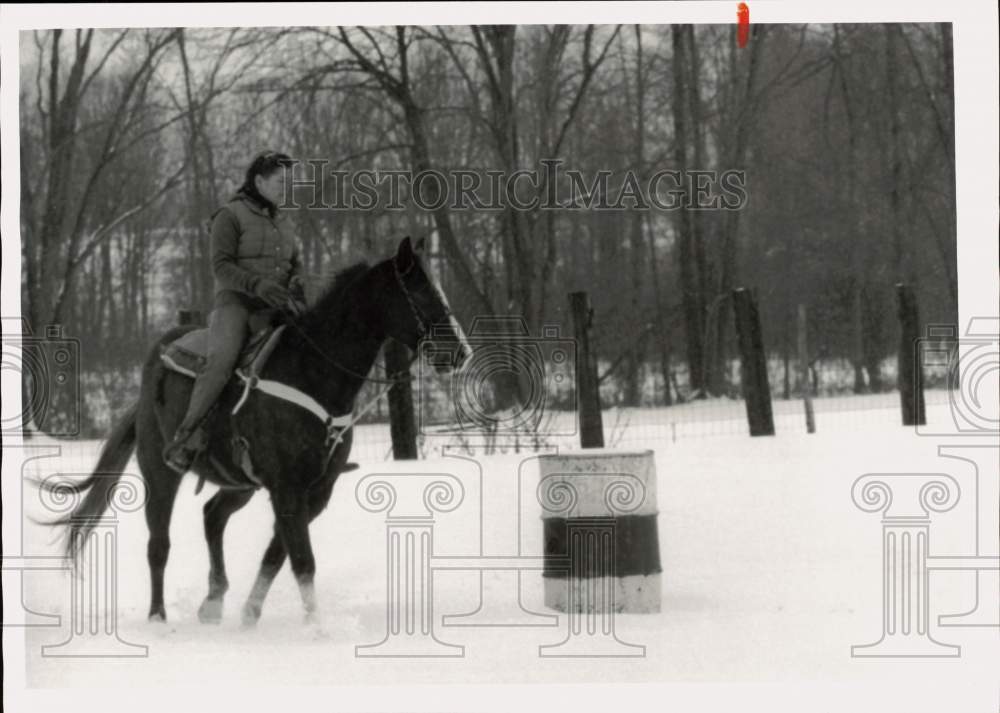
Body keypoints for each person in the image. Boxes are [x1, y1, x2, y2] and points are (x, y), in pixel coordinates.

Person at [163, 150, 307, 474]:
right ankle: (186, 439)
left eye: (290, 182)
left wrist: (297, 281)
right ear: (259, 181)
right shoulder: (229, 216)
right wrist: (257, 285)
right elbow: (221, 266)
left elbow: (295, 261)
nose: (287, 188)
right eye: (281, 181)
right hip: (236, 305)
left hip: (278, 306)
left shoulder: (285, 220)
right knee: (221, 363)